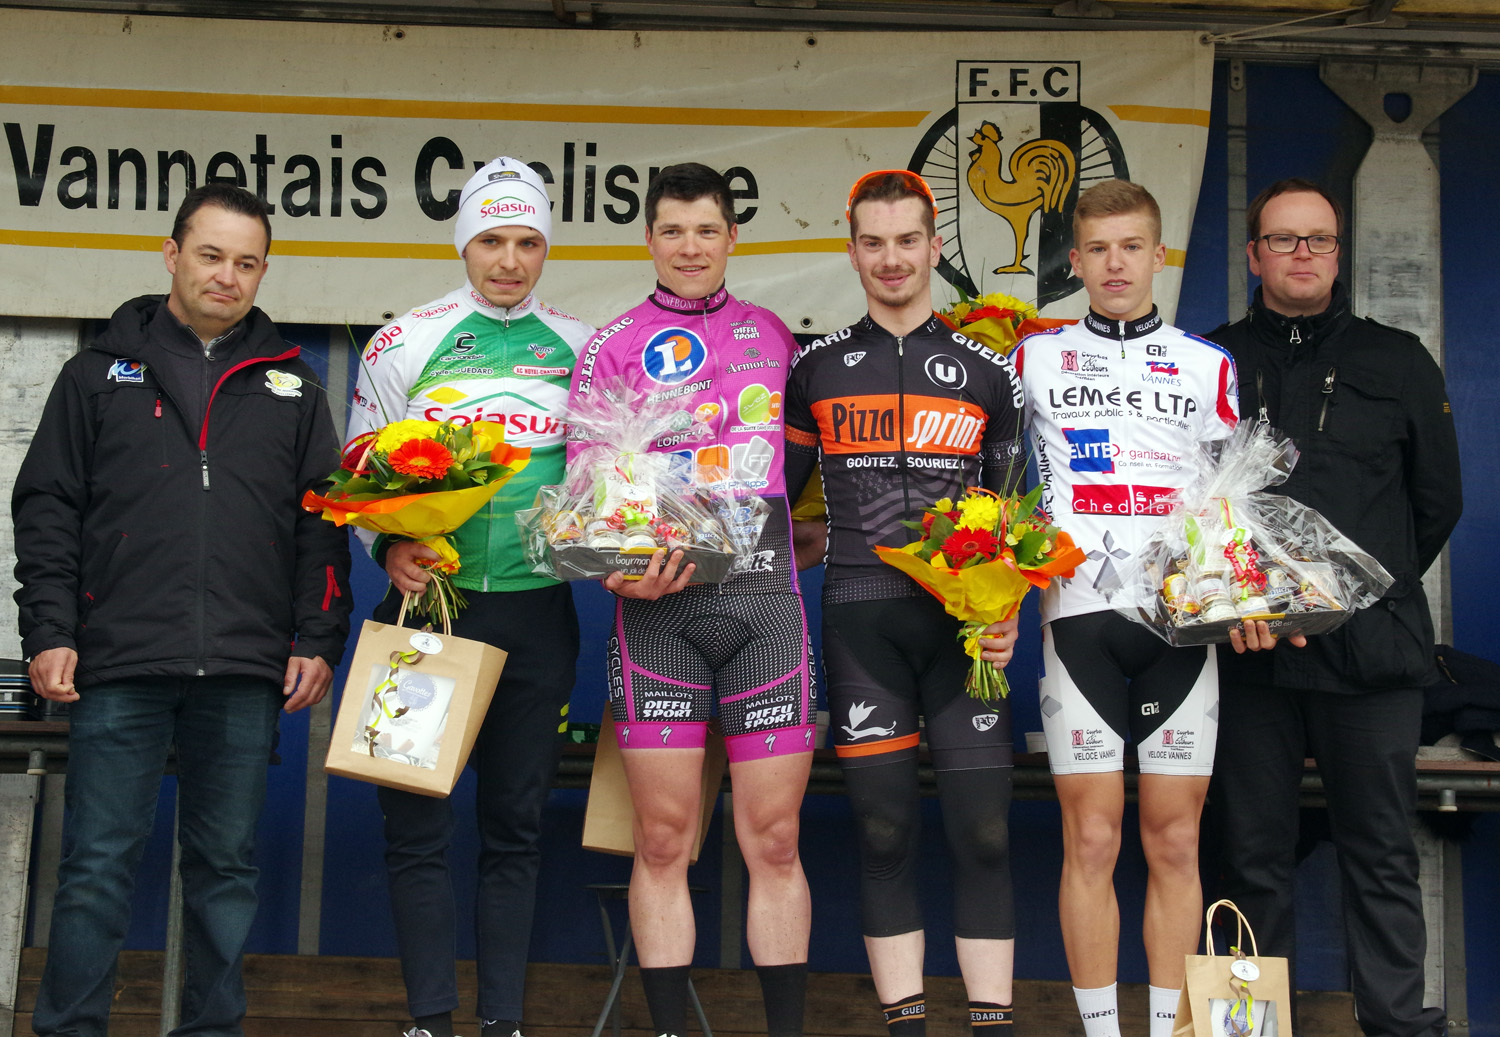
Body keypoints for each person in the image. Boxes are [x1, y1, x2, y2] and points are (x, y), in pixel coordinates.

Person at [13, 183, 352, 1037]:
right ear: (171, 255)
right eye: (210, 255)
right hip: (117, 661)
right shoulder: (96, 374)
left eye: (247, 262)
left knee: (224, 872)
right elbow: (47, 507)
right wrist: (49, 630)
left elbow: (324, 522)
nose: (227, 276)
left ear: (263, 271)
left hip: (241, 665)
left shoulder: (294, 387)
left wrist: (318, 636)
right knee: (95, 867)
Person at [345, 157, 596, 1037]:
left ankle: (503, 1023)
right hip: (429, 611)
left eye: (528, 241)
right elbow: (358, 470)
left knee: (515, 826)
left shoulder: (581, 345)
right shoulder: (402, 342)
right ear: (464, 242)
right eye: (492, 239)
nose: (510, 260)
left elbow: (610, 477)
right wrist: (390, 545)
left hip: (537, 614)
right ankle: (429, 1021)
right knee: (416, 827)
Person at [1205, 178, 1460, 1037]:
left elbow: (1438, 501)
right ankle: (1247, 1027)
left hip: (1372, 656)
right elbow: (1188, 511)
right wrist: (1235, 603)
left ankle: (1398, 1024)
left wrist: (1352, 591)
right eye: (1284, 239)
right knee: (1247, 857)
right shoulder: (1211, 361)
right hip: (1247, 655)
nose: (1303, 253)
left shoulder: (1399, 360)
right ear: (1255, 255)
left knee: (1381, 853)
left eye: (1318, 238)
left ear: (1339, 252)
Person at [568, 162, 814, 1037]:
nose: (690, 246)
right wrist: (616, 568)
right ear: (649, 239)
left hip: (765, 607)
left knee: (774, 839)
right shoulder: (612, 344)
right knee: (664, 839)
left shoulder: (773, 336)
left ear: (733, 236)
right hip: (657, 614)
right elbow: (585, 490)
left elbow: (810, 467)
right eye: (672, 230)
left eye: (706, 229)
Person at [783, 169, 1025, 1037]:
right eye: (874, 242)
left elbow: (1015, 520)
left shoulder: (990, 372)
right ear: (852, 251)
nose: (892, 259)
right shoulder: (812, 369)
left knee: (985, 833)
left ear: (934, 246)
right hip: (860, 623)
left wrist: (1007, 611)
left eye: (908, 240)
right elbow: (770, 503)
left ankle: (992, 1027)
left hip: (964, 635)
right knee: (883, 832)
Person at [1011, 179, 1238, 1037]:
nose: (1115, 264)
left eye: (1131, 247)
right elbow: (1005, 485)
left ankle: (1171, 1030)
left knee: (1175, 840)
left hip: (1179, 627)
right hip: (1077, 624)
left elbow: (1230, 504)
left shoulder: (1208, 365)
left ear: (1157, 255)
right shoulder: (1034, 358)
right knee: (1093, 839)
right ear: (1075, 260)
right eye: (1099, 249)